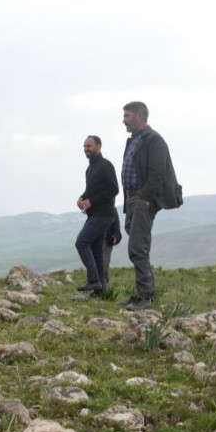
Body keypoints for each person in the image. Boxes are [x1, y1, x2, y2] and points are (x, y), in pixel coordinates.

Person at [120, 101, 183, 311]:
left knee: (137, 247)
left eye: (127, 116)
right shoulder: (134, 140)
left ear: (139, 116)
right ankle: (147, 292)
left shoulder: (154, 140)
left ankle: (145, 297)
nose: (124, 121)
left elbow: (157, 173)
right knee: (137, 243)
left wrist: (145, 199)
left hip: (142, 199)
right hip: (132, 199)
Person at [75, 135, 120, 294]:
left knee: (81, 242)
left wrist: (91, 201)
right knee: (96, 250)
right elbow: (91, 190)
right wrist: (82, 198)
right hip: (94, 215)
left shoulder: (106, 165)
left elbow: (114, 189)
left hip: (104, 214)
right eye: (85, 146)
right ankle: (100, 289)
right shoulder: (90, 169)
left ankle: (93, 279)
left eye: (89, 146)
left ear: (99, 147)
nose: (86, 149)